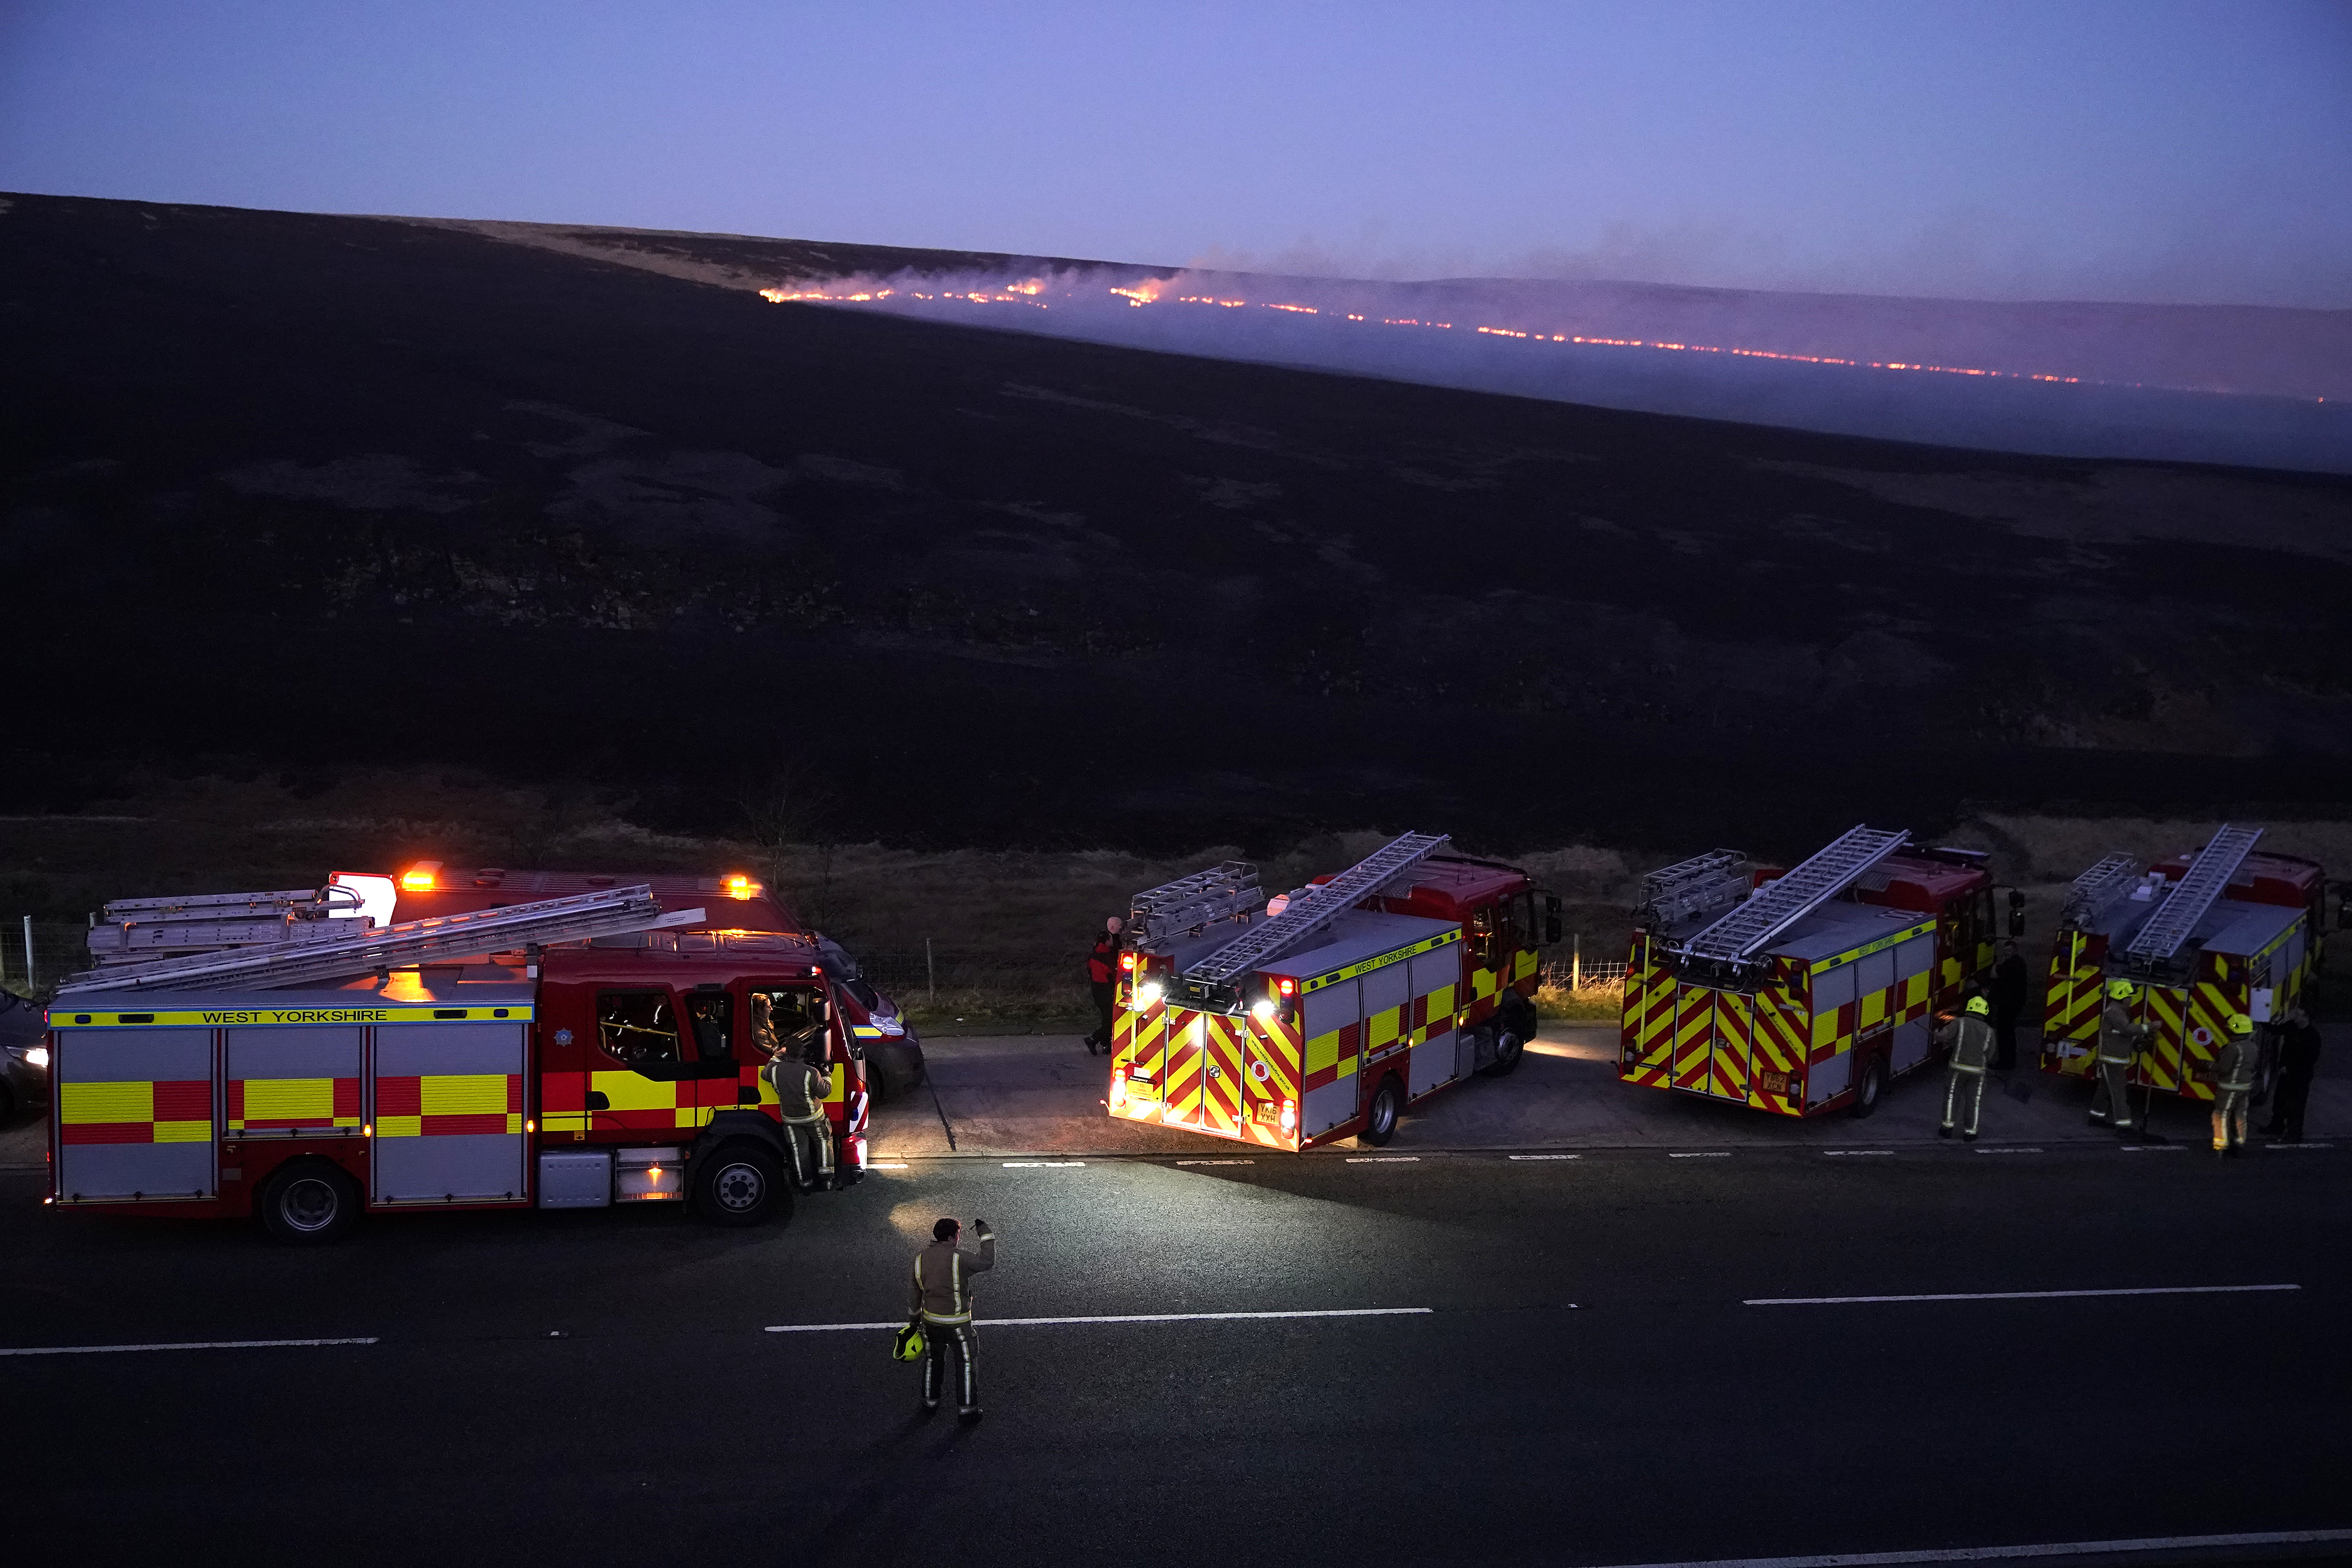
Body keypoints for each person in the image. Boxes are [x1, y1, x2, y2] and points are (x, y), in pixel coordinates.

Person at [910, 1215, 995, 1421]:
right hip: (958, 1324)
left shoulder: (920, 1258)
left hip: (930, 1323)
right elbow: (987, 1261)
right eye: (957, 1235)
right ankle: (967, 1411)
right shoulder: (960, 1258)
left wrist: (914, 1321)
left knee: (933, 1360)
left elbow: (915, 1294)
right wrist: (985, 1232)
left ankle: (930, 1402)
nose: (958, 1239)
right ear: (951, 1238)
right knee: (966, 1363)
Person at [759, 993, 835, 1190]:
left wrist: (778, 1055)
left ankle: (805, 1182)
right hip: (813, 1117)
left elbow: (766, 1072)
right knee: (823, 1141)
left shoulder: (774, 1071)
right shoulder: (811, 1072)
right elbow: (825, 1091)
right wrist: (827, 1074)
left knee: (798, 1149)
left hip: (790, 1120)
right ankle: (826, 1178)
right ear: (801, 1053)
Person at [2089, 978, 2150, 1132]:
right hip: (2112, 1059)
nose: (2131, 1001)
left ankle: (2096, 1117)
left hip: (2113, 1058)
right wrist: (2149, 1027)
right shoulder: (2115, 1012)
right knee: (2119, 1093)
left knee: (2105, 1088)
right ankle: (2124, 1126)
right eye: (2129, 998)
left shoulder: (2117, 1010)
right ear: (2122, 998)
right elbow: (2127, 1029)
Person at [1935, 995, 1998, 1141]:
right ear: (1985, 1011)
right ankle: (1971, 1132)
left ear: (1969, 1008)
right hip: (1978, 1072)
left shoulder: (1959, 1023)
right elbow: (1992, 1053)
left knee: (1952, 1096)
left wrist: (1937, 1035)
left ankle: (1947, 1128)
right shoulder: (1989, 1031)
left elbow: (1944, 1036)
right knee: (1974, 1101)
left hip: (1958, 1068)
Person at [2262, 1003, 2323, 1142]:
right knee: (2280, 1100)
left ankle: (2294, 1133)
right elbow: (2276, 1031)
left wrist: (2290, 1068)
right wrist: (2261, 1020)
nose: (2294, 1016)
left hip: (2300, 1076)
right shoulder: (2292, 1026)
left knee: (2296, 1104)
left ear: (2306, 1017)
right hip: (2286, 1073)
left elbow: (2310, 1059)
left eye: (2298, 1014)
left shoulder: (2313, 1036)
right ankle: (2276, 1126)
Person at [2212, 1012, 2257, 1158]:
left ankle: (2222, 1145)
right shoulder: (2253, 1047)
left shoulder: (2233, 1048)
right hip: (2245, 1087)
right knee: (2240, 1114)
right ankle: (2239, 1141)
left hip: (2229, 1088)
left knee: (2221, 1115)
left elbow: (2224, 1068)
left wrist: (2208, 1065)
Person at [1084, 916, 1124, 1056]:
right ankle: (1093, 1039)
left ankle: (1105, 1044)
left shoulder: (1094, 955)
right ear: (1107, 942)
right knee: (1111, 1021)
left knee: (1107, 1019)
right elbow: (1114, 974)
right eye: (1111, 940)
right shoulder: (1107, 958)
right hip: (1106, 992)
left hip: (1097, 991)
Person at [1989, 940, 2031, 1071]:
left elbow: (1993, 975)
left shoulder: (2008, 965)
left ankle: (2005, 1062)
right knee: (2009, 1032)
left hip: (2008, 1004)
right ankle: (2009, 1061)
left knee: (2004, 1033)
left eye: (2008, 950)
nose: (2006, 952)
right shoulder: (2020, 963)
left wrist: (1997, 963)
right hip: (2015, 1004)